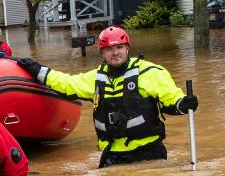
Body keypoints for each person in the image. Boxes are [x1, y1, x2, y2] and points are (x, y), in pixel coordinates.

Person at [16, 26, 198, 168]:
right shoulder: (95, 78)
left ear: (127, 48)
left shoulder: (150, 72)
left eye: (119, 47)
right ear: (102, 53)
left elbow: (171, 98)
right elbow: (67, 83)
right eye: (109, 49)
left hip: (148, 152)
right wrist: (39, 70)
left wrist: (182, 103)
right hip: (113, 155)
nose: (115, 53)